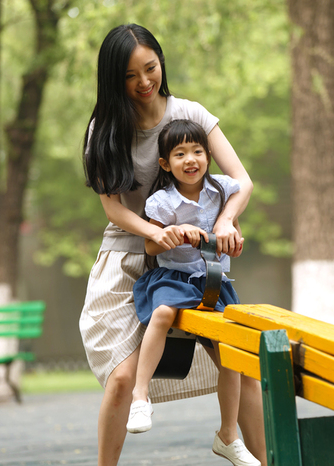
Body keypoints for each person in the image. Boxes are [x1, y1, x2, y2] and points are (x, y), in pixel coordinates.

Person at [79, 24, 266, 466]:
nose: (145, 82)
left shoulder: (191, 114)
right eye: (130, 75)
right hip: (128, 257)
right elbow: (114, 209)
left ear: (161, 62)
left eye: (151, 68)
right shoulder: (105, 130)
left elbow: (241, 182)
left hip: (189, 261)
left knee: (240, 365)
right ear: (113, 80)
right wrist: (153, 233)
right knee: (122, 380)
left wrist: (224, 220)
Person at [126, 119, 259, 466]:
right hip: (173, 278)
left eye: (197, 151)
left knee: (232, 355)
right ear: (165, 164)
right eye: (180, 153)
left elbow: (233, 238)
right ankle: (141, 397)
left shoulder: (221, 192)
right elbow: (151, 248)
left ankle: (228, 435)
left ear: (208, 156)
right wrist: (172, 231)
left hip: (214, 282)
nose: (191, 159)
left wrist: (233, 241)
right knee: (163, 313)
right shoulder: (163, 201)